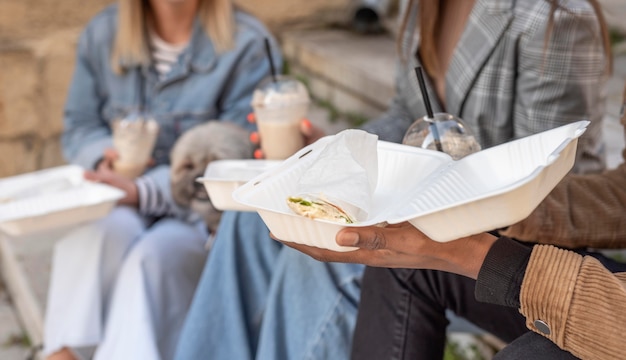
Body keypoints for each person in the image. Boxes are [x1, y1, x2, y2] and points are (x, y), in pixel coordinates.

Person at [175, 0, 612, 359]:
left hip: (518, 238)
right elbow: (407, 116)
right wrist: (335, 155)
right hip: (419, 201)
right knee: (253, 219)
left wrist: (433, 198)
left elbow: (549, 169)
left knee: (321, 250)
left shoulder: (553, 19)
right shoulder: (423, 7)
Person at [280, 85, 626, 359]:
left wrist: (482, 255)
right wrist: (482, 200)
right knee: (405, 264)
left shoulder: (548, 18)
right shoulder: (419, 21)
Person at [43, 0, 279, 359]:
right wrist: (107, 156)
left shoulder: (246, 44)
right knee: (94, 240)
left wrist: (144, 189)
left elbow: (236, 158)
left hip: (201, 216)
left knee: (150, 262)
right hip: (122, 199)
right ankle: (63, 353)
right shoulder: (103, 33)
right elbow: (80, 125)